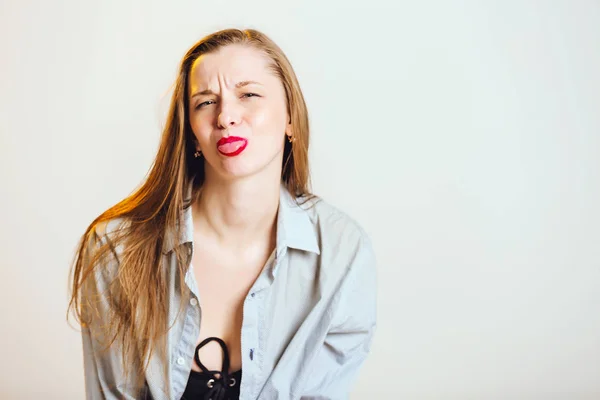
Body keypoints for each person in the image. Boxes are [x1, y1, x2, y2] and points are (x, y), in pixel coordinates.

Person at [68, 28, 377, 400]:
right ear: (192, 134)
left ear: (291, 118)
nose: (226, 116)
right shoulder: (117, 251)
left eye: (248, 95)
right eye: (205, 102)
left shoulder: (342, 252)